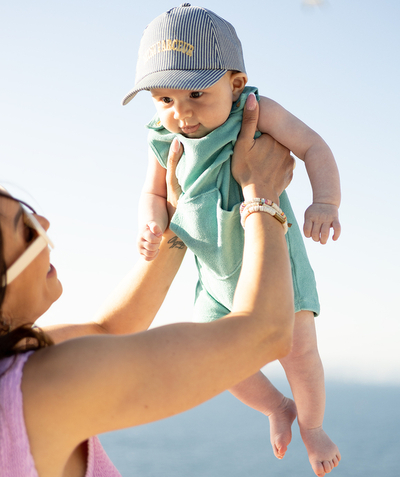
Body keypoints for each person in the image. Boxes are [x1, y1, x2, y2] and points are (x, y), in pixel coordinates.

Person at [0, 98, 303, 476]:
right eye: (26, 229)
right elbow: (265, 331)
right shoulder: (37, 386)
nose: (43, 220)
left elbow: (108, 331)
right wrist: (262, 195)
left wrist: (176, 219)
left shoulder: (16, 360)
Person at [122, 4, 341, 477]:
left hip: (277, 265)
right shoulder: (162, 138)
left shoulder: (255, 111)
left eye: (197, 93)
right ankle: (276, 408)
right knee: (217, 361)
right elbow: (153, 192)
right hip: (214, 278)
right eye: (164, 98)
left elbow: (313, 146)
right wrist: (151, 223)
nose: (181, 113)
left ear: (235, 84)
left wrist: (326, 202)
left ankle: (313, 425)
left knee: (299, 351)